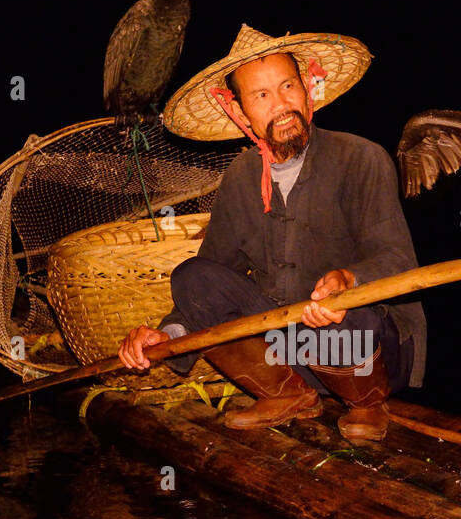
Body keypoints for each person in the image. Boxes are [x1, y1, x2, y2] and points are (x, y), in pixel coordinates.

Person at [118, 25, 426, 441]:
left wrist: (348, 282)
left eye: (287, 86)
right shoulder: (239, 178)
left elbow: (396, 260)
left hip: (367, 350)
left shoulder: (362, 158)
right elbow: (210, 281)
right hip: (289, 350)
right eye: (261, 96)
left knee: (347, 319)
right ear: (240, 112)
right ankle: (285, 392)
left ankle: (366, 402)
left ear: (308, 88)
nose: (280, 105)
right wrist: (167, 335)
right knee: (191, 276)